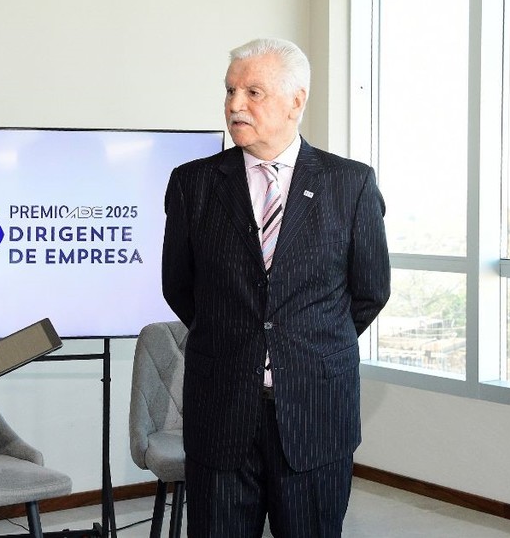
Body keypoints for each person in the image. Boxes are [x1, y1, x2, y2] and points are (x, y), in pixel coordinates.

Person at [162, 38, 391, 537]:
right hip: (221, 410)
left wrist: (303, 339)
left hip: (315, 413)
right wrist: (237, 337)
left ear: (296, 100)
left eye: (253, 92)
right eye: (229, 91)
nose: (235, 104)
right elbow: (178, 287)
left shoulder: (349, 185)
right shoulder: (192, 184)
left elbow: (370, 292)